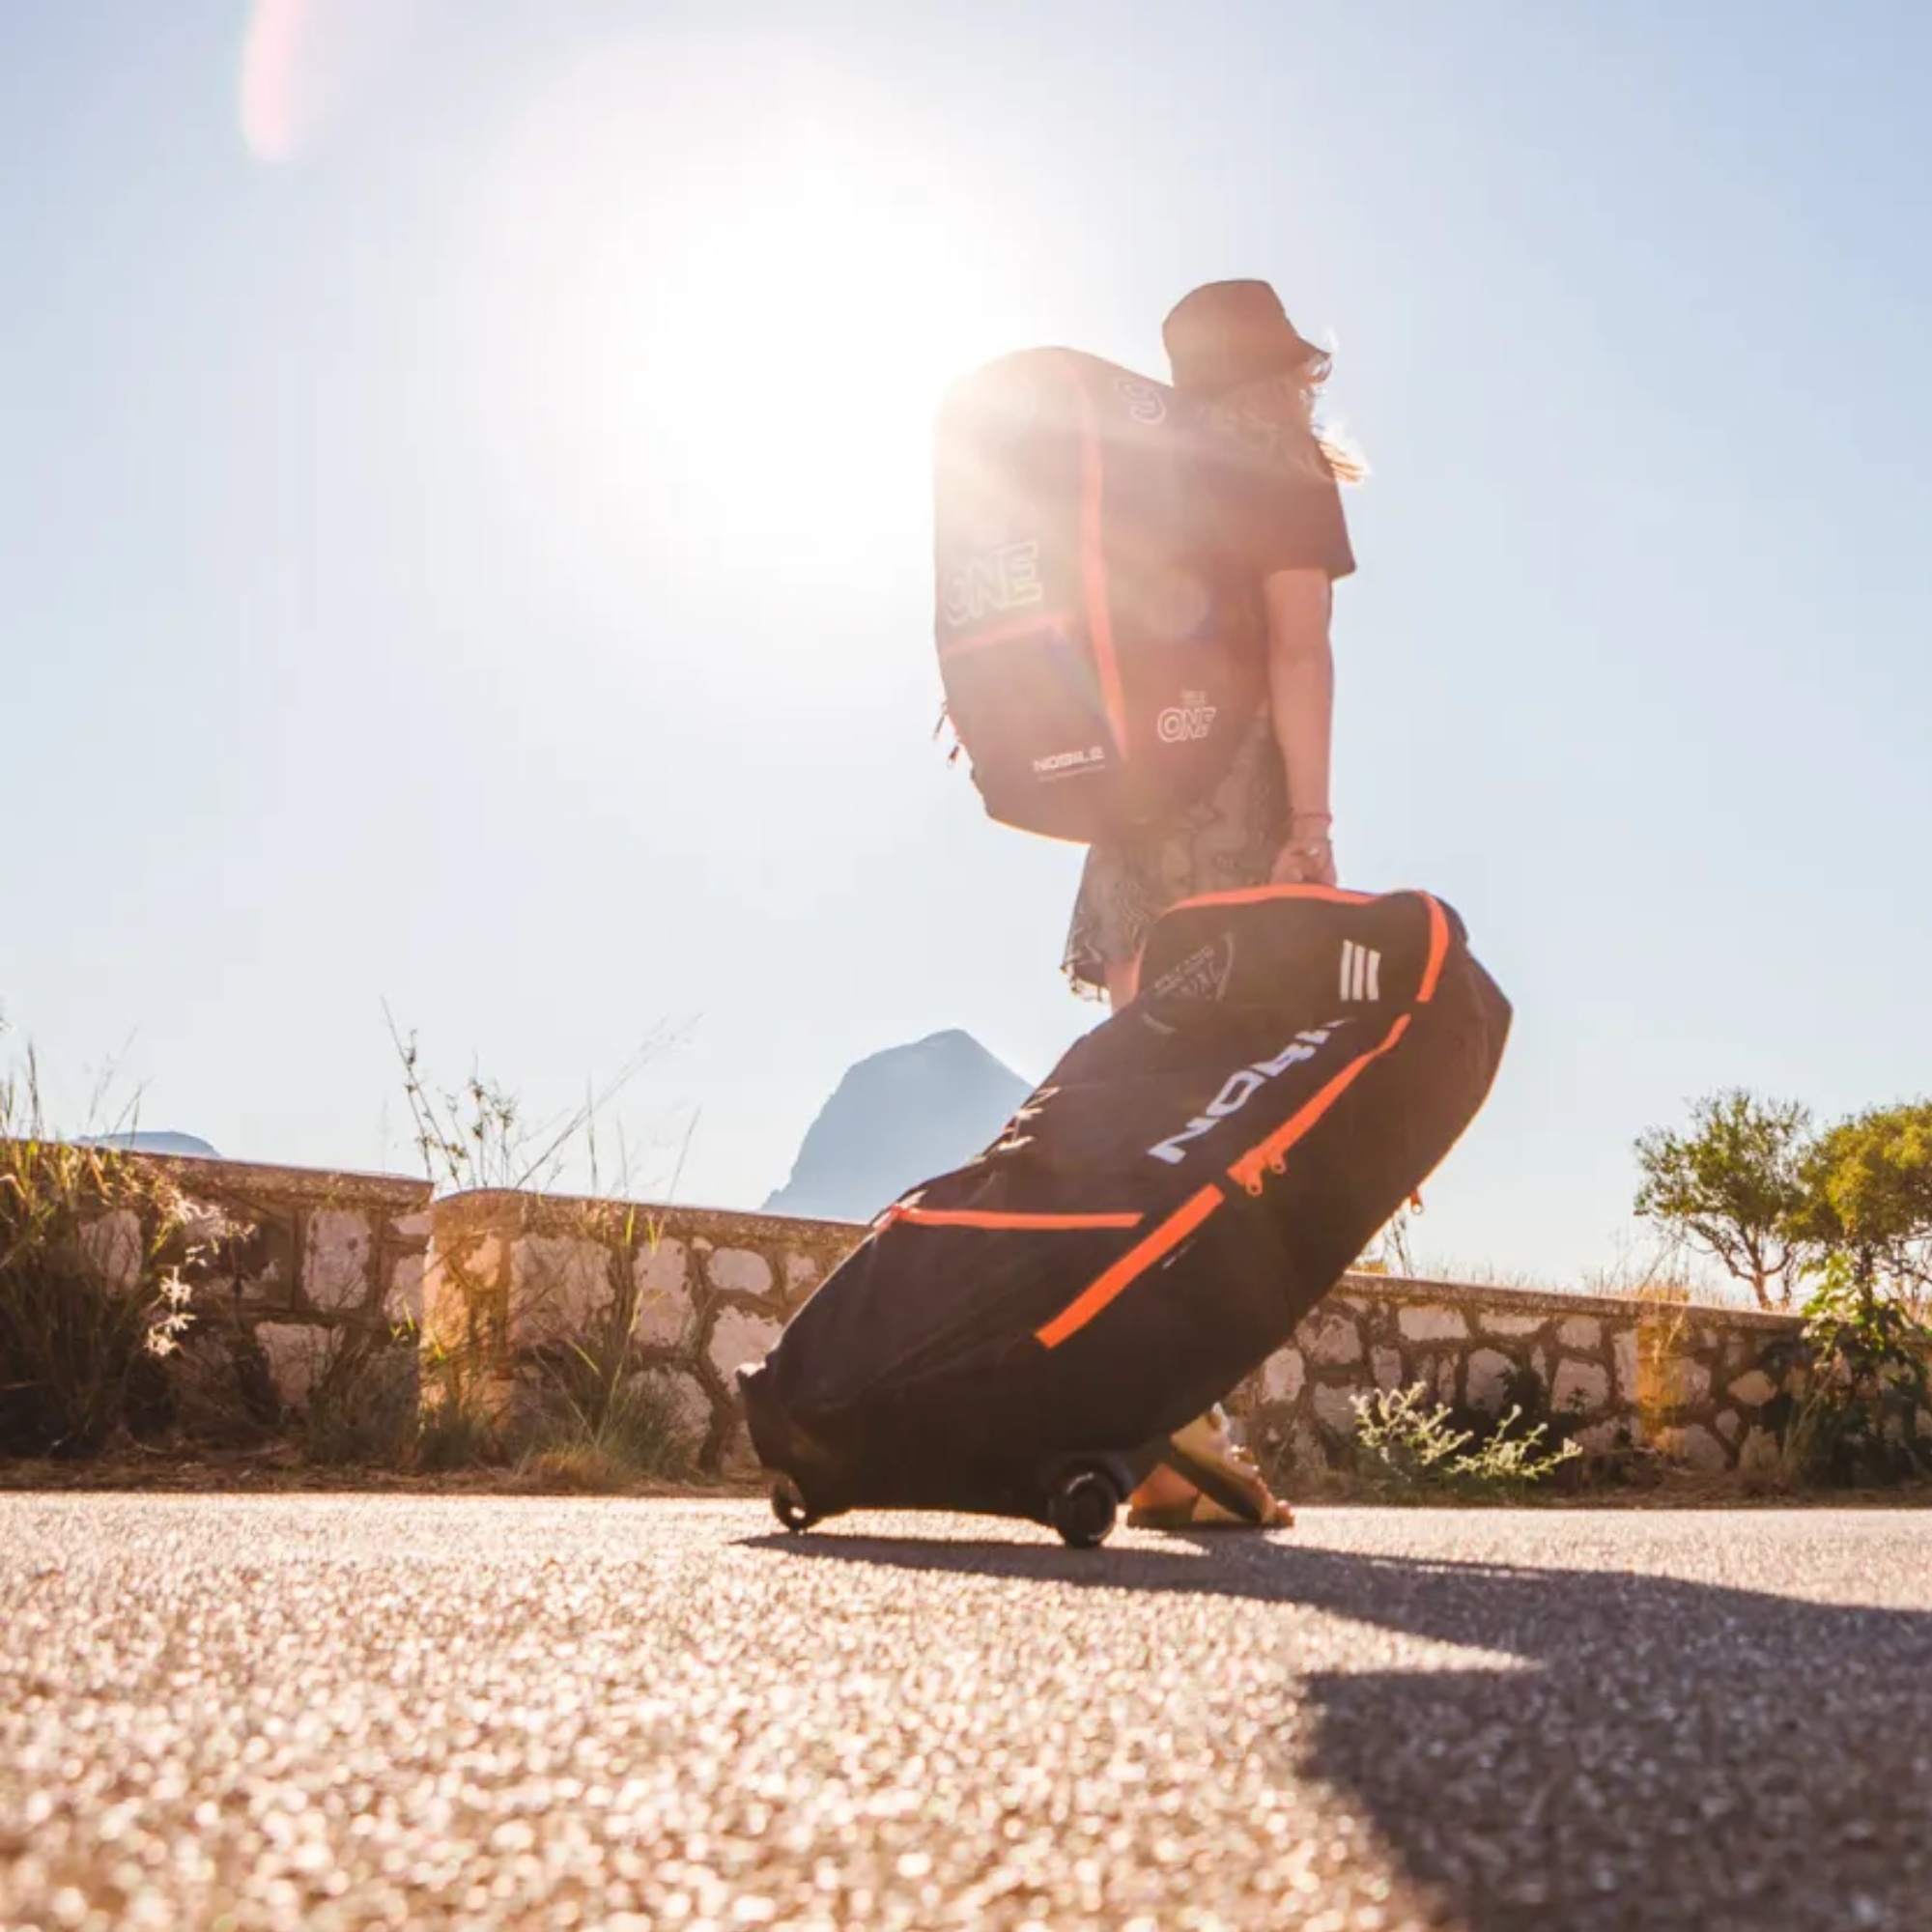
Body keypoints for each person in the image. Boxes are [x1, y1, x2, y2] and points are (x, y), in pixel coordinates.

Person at [1062, 278, 1365, 1528]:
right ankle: (1176, 1423)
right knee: (1221, 1126)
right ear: (1282, 372)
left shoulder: (1135, 473)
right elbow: (1299, 649)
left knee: (1140, 1117)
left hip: (1130, 826)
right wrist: (1312, 827)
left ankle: (1148, 1428)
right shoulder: (1279, 467)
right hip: (1232, 822)